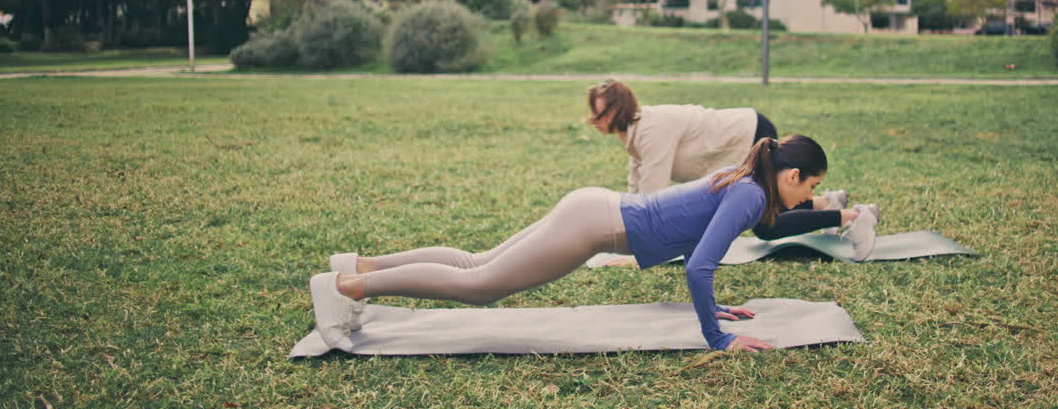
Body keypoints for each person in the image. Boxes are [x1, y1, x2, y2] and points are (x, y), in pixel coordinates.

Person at [309, 135, 881, 353]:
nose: (809, 197)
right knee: (480, 285)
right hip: (593, 226)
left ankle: (361, 267)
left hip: (593, 208)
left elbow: (695, 245)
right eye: (811, 188)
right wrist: (718, 336)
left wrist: (715, 307)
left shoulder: (746, 179)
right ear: (792, 176)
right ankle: (347, 288)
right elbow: (700, 267)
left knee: (476, 263)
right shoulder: (752, 196)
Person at [586, 79, 860, 239]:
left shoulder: (651, 128)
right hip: (743, 137)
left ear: (619, 109)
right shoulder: (633, 133)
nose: (595, 120)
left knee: (765, 225)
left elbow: (651, 195)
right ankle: (826, 203)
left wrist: (636, 251)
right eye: (593, 112)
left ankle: (852, 217)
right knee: (767, 213)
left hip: (749, 136)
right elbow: (636, 189)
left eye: (601, 113)